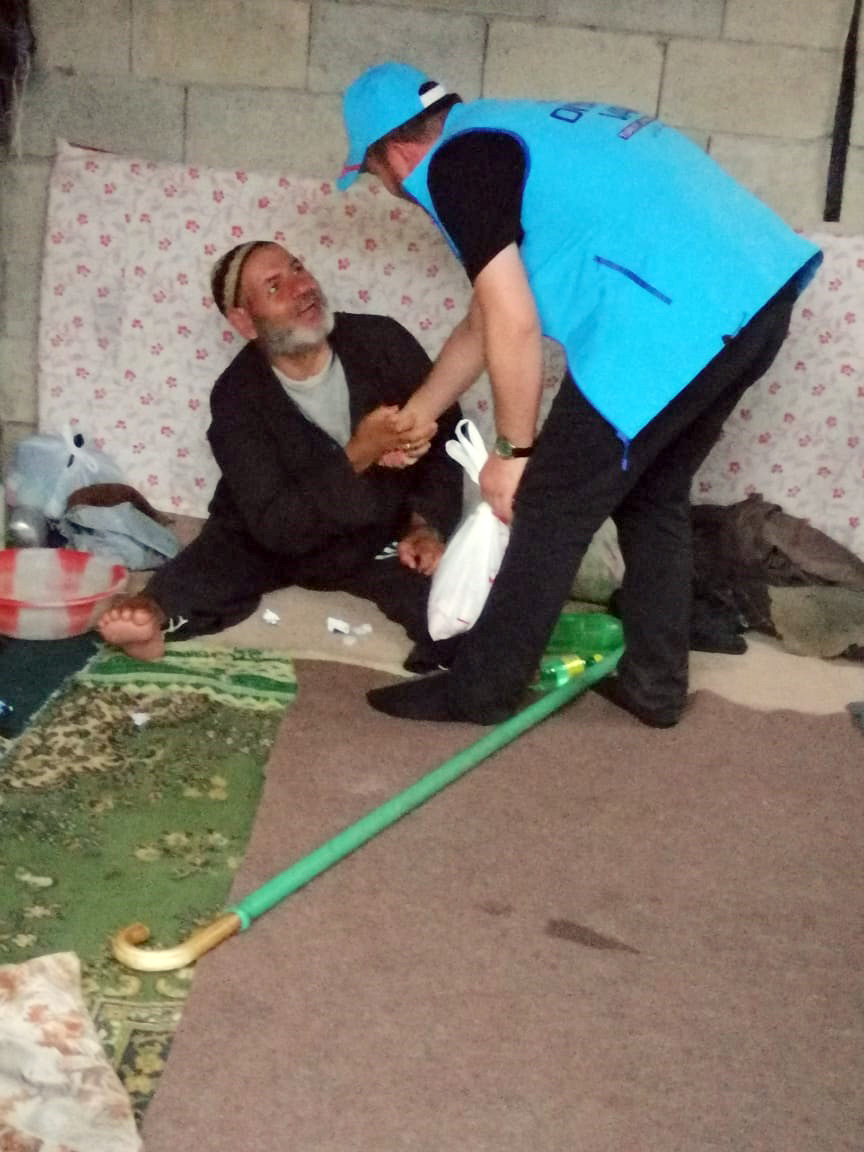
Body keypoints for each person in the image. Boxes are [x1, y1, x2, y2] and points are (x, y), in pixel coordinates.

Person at [337, 61, 823, 727]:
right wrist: (420, 411)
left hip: (669, 324)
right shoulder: (508, 132)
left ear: (393, 155)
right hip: (757, 295)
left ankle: (480, 691)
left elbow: (514, 323)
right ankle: (655, 687)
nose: (396, 194)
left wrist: (513, 452)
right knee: (653, 493)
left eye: (376, 177)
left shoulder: (455, 165)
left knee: (548, 504)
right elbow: (486, 317)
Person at [99, 240, 463, 668]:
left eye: (298, 268)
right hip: (270, 533)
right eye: (274, 286)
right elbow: (277, 527)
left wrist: (425, 526)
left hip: (378, 528)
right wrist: (360, 452)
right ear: (244, 321)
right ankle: (150, 616)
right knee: (211, 560)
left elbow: (446, 440)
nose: (302, 287)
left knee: (453, 607)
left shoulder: (382, 341)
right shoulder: (236, 396)